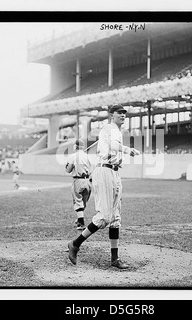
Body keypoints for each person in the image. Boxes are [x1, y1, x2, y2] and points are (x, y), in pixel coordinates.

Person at [67, 104, 141, 269]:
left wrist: (121, 154)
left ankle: (115, 259)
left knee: (115, 219)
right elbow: (114, 147)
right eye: (119, 112)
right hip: (104, 171)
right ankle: (75, 244)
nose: (122, 115)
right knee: (104, 217)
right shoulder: (110, 128)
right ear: (112, 115)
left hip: (114, 172)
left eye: (124, 113)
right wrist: (127, 150)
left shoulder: (113, 130)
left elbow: (112, 148)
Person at [65, 139, 93, 231]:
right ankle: (79, 219)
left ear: (75, 146)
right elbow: (92, 169)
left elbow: (68, 170)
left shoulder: (72, 156)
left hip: (78, 180)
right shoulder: (88, 156)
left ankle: (81, 223)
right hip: (88, 181)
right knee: (83, 202)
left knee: (78, 201)